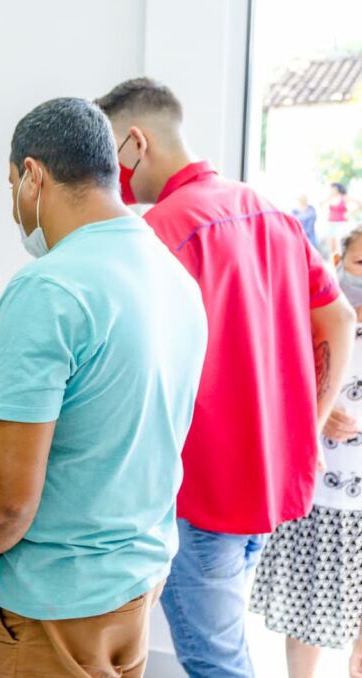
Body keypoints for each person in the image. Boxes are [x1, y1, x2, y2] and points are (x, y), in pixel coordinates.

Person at [0, 97, 208, 677]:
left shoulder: (49, 290)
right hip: (135, 579)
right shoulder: (170, 272)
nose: (14, 209)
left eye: (11, 187)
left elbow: (6, 509)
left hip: (59, 598)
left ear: (34, 175)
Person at [96, 77, 356, 678]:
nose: (113, 175)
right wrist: (311, 427)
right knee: (224, 645)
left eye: (112, 156)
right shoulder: (271, 212)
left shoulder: (160, 232)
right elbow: (339, 319)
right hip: (267, 481)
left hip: (203, 491)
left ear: (136, 142)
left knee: (216, 662)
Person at [250, 227, 362, 678]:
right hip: (315, 497)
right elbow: (275, 378)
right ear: (339, 260)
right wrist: (321, 401)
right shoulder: (316, 320)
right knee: (304, 617)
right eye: (360, 265)